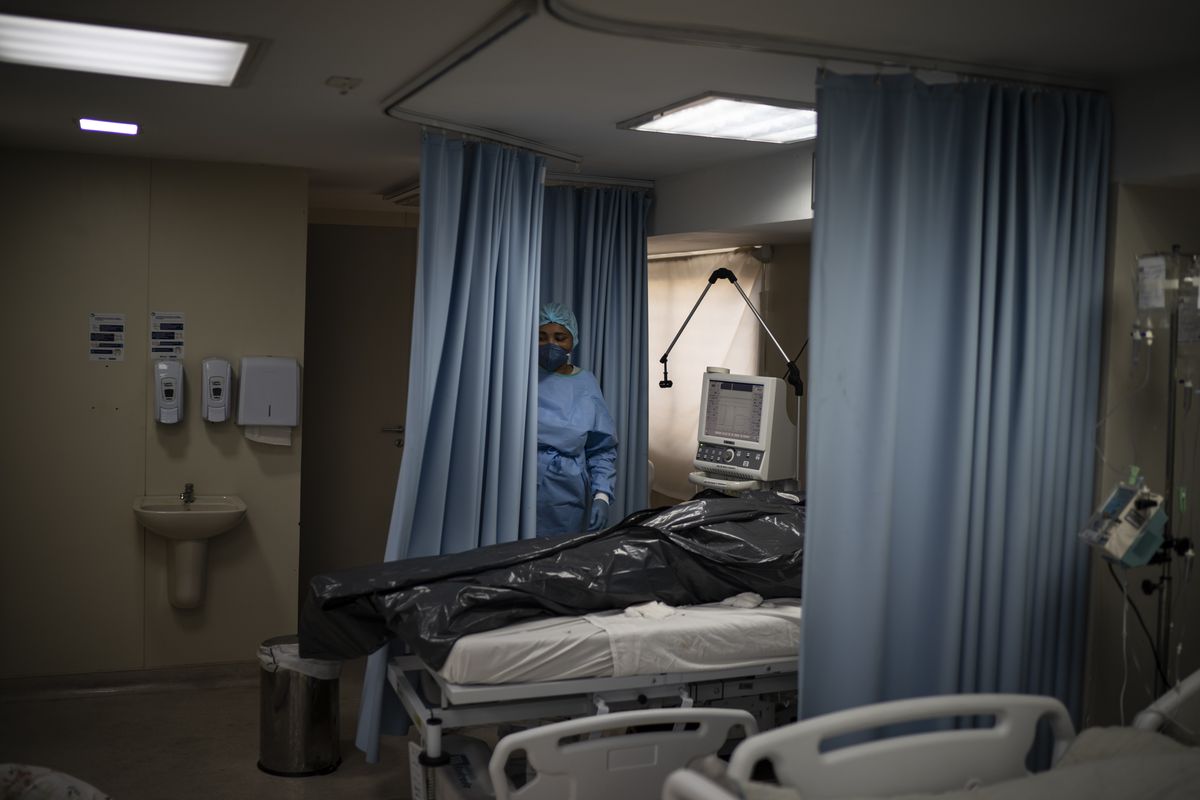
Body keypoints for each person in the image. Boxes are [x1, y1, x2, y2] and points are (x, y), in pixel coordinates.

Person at [536, 302, 618, 536]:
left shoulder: (586, 384)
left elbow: (601, 448)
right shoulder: (520, 376)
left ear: (573, 341)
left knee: (556, 563)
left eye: (560, 337)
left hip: (564, 493)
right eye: (542, 337)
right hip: (517, 483)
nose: (551, 344)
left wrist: (601, 495)